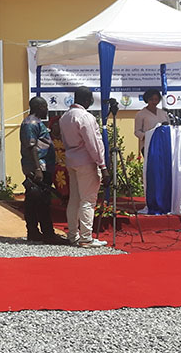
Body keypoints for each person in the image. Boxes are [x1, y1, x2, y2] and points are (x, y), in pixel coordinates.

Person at [59, 87, 111, 248]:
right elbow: (93, 144)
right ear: (88, 100)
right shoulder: (85, 117)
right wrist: (103, 166)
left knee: (74, 199)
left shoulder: (65, 117)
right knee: (88, 200)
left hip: (72, 160)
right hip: (86, 162)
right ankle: (86, 238)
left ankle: (73, 235)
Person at [19, 96, 65, 244]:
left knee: (35, 201)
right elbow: (31, 146)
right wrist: (38, 168)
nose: (47, 109)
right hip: (39, 167)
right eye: (45, 106)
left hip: (43, 166)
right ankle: (46, 233)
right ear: (39, 107)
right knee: (41, 201)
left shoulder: (38, 123)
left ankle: (35, 232)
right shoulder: (30, 123)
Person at [134, 88, 170, 155]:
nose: (154, 102)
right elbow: (137, 132)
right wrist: (147, 136)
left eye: (156, 99)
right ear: (147, 100)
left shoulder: (163, 113)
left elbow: (168, 127)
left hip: (163, 145)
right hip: (148, 145)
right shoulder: (140, 114)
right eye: (151, 99)